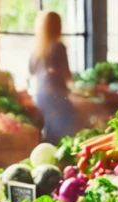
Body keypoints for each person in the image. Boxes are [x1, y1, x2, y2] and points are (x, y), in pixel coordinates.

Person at [30, 11, 76, 143]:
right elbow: (66, 73)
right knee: (66, 136)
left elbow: (31, 71)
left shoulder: (37, 50)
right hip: (57, 96)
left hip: (40, 96)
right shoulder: (58, 47)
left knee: (48, 134)